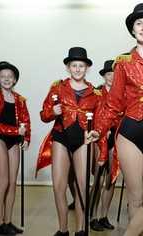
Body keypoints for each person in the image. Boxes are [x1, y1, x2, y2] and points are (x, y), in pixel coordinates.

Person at [86, 3, 143, 235]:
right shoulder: (123, 62)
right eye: (139, 23)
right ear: (133, 30)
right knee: (135, 198)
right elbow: (114, 102)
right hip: (129, 134)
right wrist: (99, 128)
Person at [39, 47, 101, 236]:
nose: (77, 69)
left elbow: (101, 121)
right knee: (59, 185)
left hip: (83, 140)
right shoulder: (57, 87)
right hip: (61, 138)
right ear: (68, 67)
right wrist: (52, 112)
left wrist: (98, 133)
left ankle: (81, 229)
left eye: (81, 65)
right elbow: (44, 114)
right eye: (74, 65)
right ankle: (63, 229)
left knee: (82, 185)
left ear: (86, 68)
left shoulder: (96, 93)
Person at [0, 62, 31, 235]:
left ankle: (9, 221)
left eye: (10, 76)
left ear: (15, 79)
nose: (6, 79)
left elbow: (25, 121)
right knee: (2, 181)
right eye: (3, 76)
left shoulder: (19, 99)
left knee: (12, 182)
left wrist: (26, 137)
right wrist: (14, 130)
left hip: (14, 141)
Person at [90, 60, 117, 232]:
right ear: (104, 76)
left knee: (111, 179)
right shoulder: (97, 93)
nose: (112, 77)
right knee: (98, 179)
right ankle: (92, 216)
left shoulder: (123, 93)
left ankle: (104, 215)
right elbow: (91, 116)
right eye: (109, 74)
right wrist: (101, 131)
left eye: (115, 74)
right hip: (99, 137)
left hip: (117, 137)